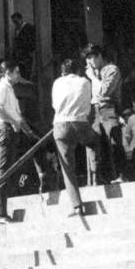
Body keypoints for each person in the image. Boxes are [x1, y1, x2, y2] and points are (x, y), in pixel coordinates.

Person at [50, 57, 97, 218]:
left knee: (67, 167)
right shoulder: (85, 82)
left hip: (61, 126)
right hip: (81, 124)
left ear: (63, 71)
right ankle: (97, 177)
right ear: (77, 70)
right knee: (95, 141)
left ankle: (77, 206)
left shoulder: (57, 83)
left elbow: (55, 105)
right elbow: (88, 105)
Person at [0, 59, 25, 223]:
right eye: (16, 72)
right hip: (5, 128)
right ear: (8, 73)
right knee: (2, 171)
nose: (19, 75)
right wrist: (14, 121)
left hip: (11, 129)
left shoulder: (9, 89)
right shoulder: (1, 87)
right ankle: (0, 213)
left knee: (8, 170)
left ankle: (3, 210)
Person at [83, 44, 124, 185]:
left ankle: (120, 174)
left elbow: (105, 91)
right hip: (94, 110)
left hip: (108, 108)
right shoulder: (94, 72)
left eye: (91, 57)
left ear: (99, 55)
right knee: (96, 145)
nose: (88, 62)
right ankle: (99, 178)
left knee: (113, 140)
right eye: (86, 59)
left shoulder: (111, 70)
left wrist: (93, 78)